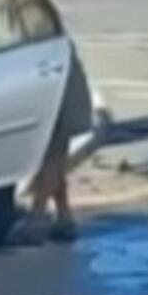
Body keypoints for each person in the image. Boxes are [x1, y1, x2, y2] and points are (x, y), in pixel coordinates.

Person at [11, 43, 94, 244]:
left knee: (54, 150)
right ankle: (64, 215)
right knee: (55, 151)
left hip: (53, 82)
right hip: (53, 79)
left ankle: (37, 216)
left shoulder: (27, 17)